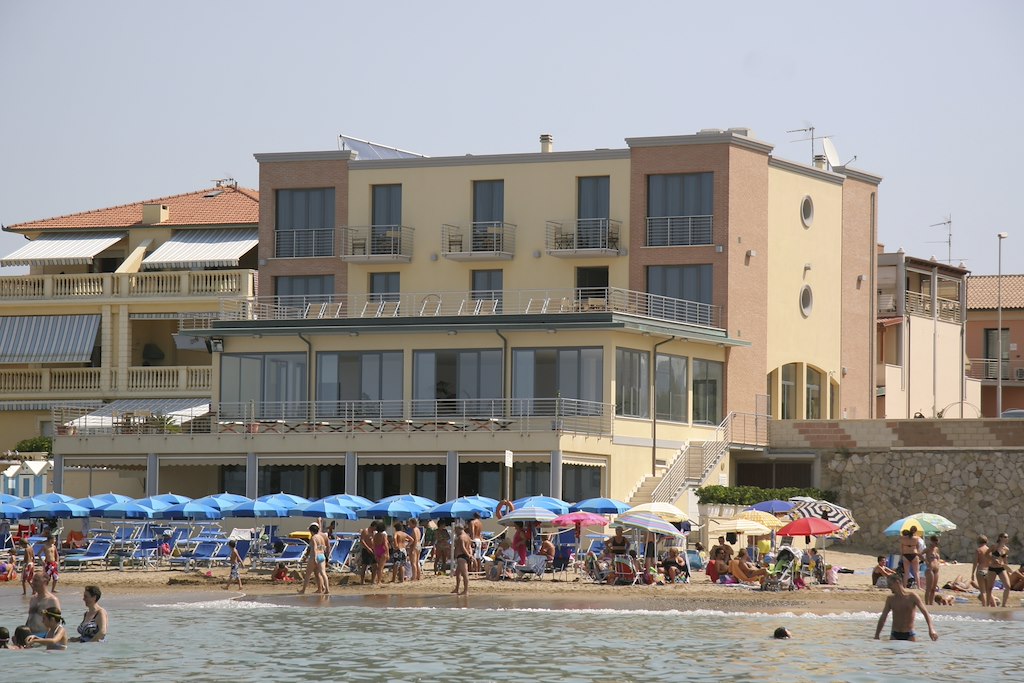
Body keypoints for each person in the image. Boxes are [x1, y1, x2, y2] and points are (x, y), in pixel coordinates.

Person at [874, 575, 938, 641]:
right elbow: (883, 617)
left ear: (897, 582)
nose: (889, 587)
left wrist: (931, 629)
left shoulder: (912, 596)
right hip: (895, 634)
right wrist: (877, 635)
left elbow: (925, 613)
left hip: (909, 634)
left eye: (890, 584)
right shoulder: (890, 599)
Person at [985, 532, 1011, 608]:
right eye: (1005, 537)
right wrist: (993, 559)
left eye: (1007, 537)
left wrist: (1005, 565)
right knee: (989, 587)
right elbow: (986, 554)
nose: (1006, 538)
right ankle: (987, 604)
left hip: (1001, 568)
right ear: (1000, 538)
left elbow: (1005, 560)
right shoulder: (994, 546)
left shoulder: (1006, 549)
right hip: (992, 568)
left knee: (1008, 586)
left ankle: (1004, 604)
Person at [971, 534, 991, 606]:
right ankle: (992, 605)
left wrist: (972, 573)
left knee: (983, 591)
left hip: (980, 570)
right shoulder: (989, 550)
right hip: (988, 571)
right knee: (988, 591)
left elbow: (975, 562)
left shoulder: (978, 550)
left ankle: (984, 606)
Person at [451, 524, 471, 595]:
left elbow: (463, 548)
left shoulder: (461, 537)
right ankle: (457, 588)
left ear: (459, 529)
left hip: (462, 557)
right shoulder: (467, 537)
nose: (455, 532)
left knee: (465, 574)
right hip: (463, 556)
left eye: (456, 530)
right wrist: (470, 554)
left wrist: (468, 555)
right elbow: (469, 547)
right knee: (458, 573)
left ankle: (466, 590)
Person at [922, 536, 942, 605]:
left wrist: (938, 562)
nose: (936, 544)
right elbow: (919, 554)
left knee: (933, 589)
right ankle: (927, 604)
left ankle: (931, 603)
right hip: (930, 569)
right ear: (932, 542)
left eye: (937, 543)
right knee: (929, 588)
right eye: (935, 542)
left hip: (936, 570)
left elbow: (938, 557)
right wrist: (925, 561)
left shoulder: (936, 549)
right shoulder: (927, 549)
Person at [372, 521, 390, 586]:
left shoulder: (375, 535)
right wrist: (387, 553)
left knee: (379, 566)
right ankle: (379, 581)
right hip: (382, 550)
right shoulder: (383, 535)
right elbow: (385, 544)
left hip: (377, 550)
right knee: (381, 567)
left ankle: (378, 580)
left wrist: (375, 553)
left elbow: (374, 545)